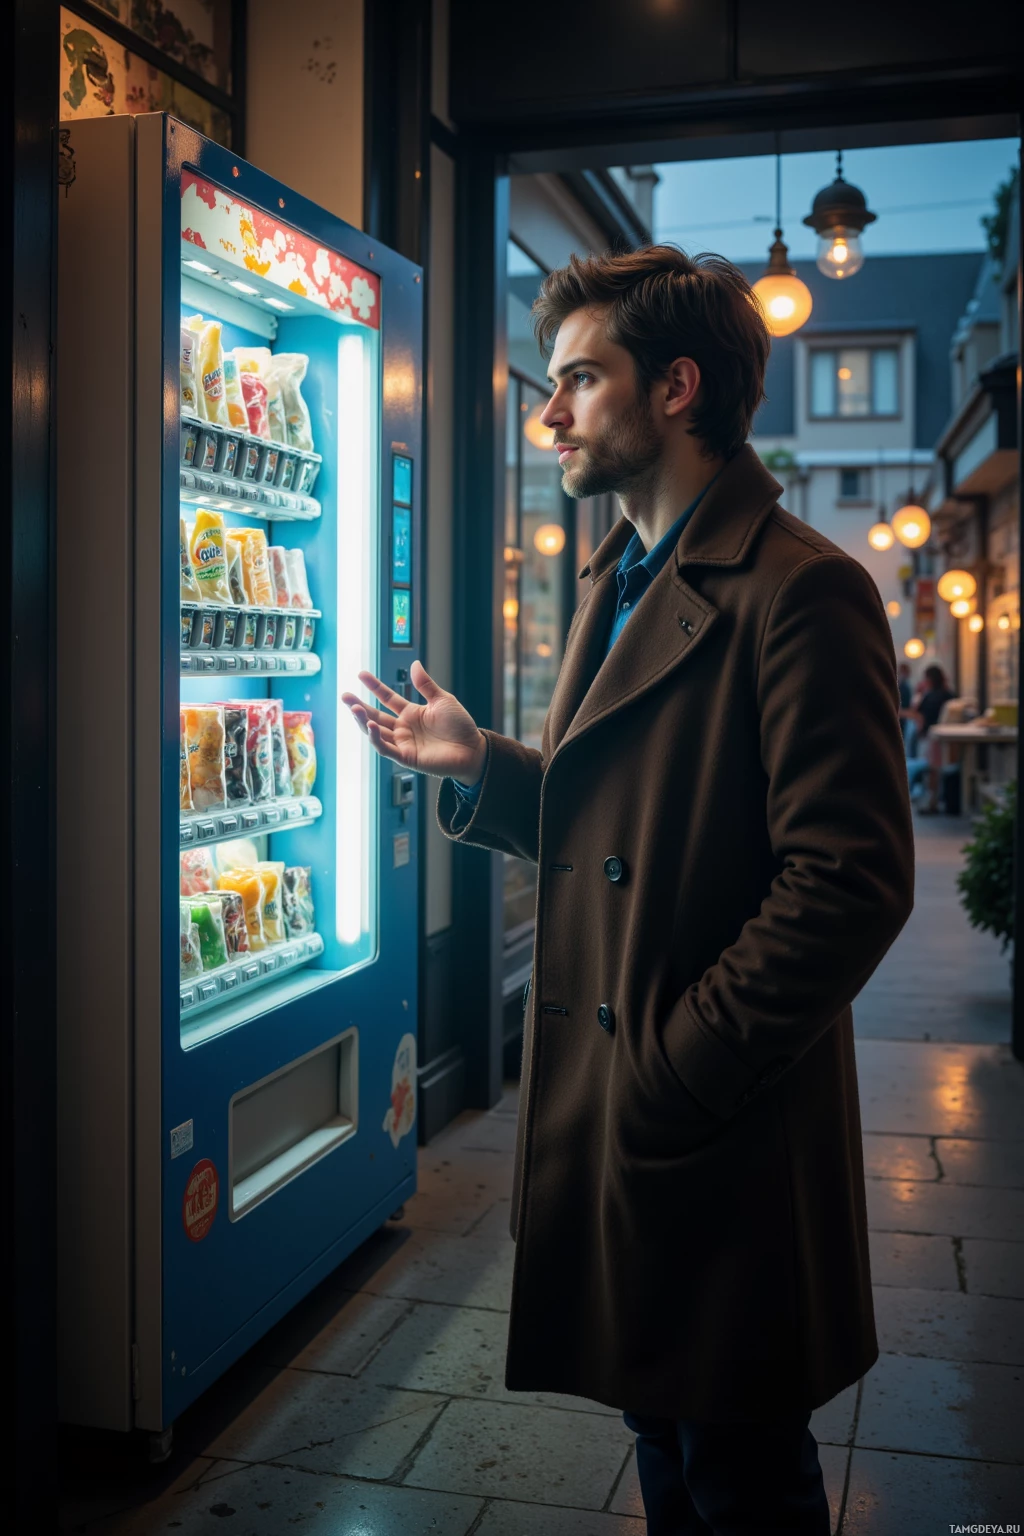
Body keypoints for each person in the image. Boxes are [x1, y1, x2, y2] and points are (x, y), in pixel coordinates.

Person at [342, 245, 914, 1536]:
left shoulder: (804, 590)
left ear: (676, 389)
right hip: (639, 1133)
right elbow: (628, 823)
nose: (547, 413)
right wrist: (481, 763)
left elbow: (854, 879)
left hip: (717, 1132)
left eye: (578, 379)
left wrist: (677, 1065)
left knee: (741, 1477)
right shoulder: (619, 574)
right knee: (668, 1447)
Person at [908, 663, 956, 814]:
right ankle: (937, 800)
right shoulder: (948, 694)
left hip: (932, 737)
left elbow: (918, 715)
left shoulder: (929, 696)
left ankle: (933, 802)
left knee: (933, 770)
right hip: (946, 737)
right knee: (942, 769)